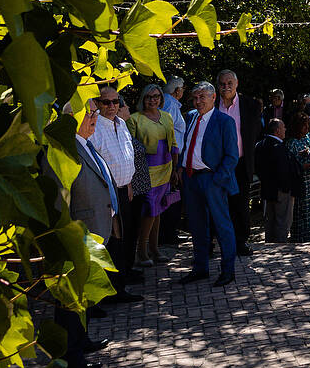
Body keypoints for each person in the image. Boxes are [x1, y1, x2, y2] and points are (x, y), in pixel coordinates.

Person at [48, 101, 117, 368]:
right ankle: (71, 355)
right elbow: (57, 202)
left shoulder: (84, 144)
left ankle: (82, 340)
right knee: (69, 299)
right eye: (88, 114)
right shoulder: (63, 151)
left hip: (92, 233)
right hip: (75, 237)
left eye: (94, 114)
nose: (94, 119)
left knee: (82, 296)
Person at [179, 81, 239, 286]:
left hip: (212, 179)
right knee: (196, 226)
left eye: (202, 97)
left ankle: (227, 270)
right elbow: (187, 145)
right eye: (195, 97)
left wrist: (217, 179)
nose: (198, 101)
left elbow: (232, 156)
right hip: (191, 178)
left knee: (222, 226)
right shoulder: (189, 117)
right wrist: (181, 169)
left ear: (213, 98)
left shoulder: (224, 121)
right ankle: (200, 268)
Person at [89, 86, 142, 298]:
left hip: (123, 190)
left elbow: (125, 155)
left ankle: (121, 281)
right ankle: (111, 291)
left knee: (126, 237)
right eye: (106, 102)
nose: (112, 106)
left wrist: (127, 182)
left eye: (115, 101)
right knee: (111, 240)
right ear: (98, 104)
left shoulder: (121, 123)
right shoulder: (95, 128)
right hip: (106, 194)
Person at [127, 84, 179, 265]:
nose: (153, 99)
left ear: (161, 98)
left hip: (165, 169)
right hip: (145, 171)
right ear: (143, 98)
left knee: (158, 211)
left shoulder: (167, 116)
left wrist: (175, 169)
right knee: (149, 210)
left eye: (156, 96)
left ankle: (154, 249)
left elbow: (173, 144)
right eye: (149, 97)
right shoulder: (134, 119)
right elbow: (131, 149)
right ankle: (141, 251)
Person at [215, 70, 262, 257]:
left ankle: (240, 241)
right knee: (217, 203)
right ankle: (216, 241)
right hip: (216, 165)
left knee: (241, 204)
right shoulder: (211, 104)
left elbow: (255, 133)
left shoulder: (250, 105)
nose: (226, 87)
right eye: (222, 84)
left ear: (237, 84)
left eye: (229, 83)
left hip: (241, 163)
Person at [256, 117, 295, 242]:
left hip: (267, 189)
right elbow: (284, 170)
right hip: (281, 190)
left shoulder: (259, 145)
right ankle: (280, 247)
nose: (285, 129)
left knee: (270, 221)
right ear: (277, 130)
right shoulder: (279, 147)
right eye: (283, 127)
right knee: (282, 221)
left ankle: (269, 247)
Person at [286, 111, 310, 243]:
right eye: (304, 125)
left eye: (308, 125)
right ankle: (302, 238)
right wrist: (307, 166)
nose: (307, 128)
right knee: (303, 210)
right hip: (301, 183)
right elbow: (290, 166)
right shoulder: (291, 143)